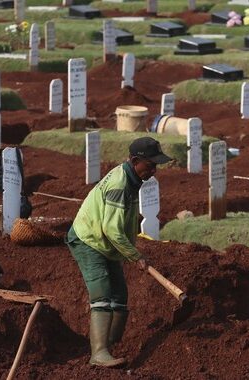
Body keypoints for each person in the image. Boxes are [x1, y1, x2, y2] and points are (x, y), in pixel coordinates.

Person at [66, 136, 171, 367]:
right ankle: (99, 354)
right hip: (89, 239)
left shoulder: (131, 179)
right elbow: (112, 230)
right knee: (102, 292)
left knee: (120, 295)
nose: (154, 170)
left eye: (156, 166)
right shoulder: (120, 185)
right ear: (135, 161)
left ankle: (110, 344)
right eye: (150, 165)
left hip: (106, 242)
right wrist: (135, 255)